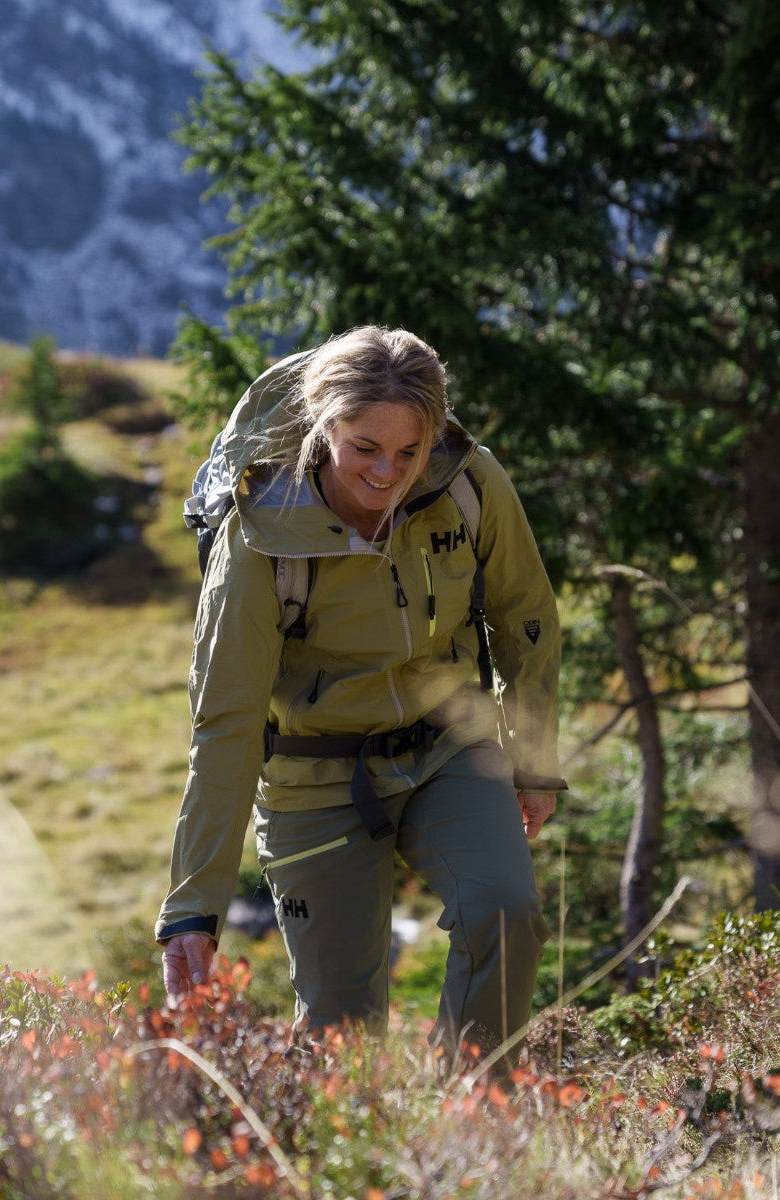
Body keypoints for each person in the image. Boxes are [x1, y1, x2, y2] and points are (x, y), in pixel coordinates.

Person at [156, 325, 566, 1064]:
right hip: (314, 780)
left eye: (410, 450)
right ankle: (351, 1135)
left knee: (505, 913)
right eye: (365, 448)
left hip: (448, 750)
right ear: (325, 428)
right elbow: (226, 721)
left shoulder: (469, 483)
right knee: (342, 1033)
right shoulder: (260, 532)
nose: (388, 473)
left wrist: (533, 762)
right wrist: (194, 908)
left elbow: (525, 619)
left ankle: (474, 1111)